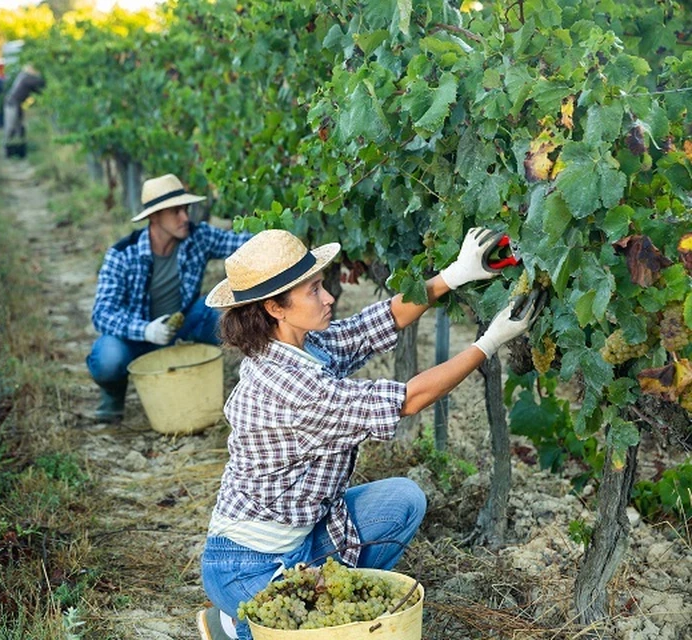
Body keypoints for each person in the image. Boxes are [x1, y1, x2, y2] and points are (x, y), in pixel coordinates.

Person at [196, 228, 543, 640]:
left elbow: (376, 323)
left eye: (322, 286)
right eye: (313, 291)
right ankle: (238, 622)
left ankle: (270, 609)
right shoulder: (290, 390)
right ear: (275, 308)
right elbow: (409, 399)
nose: (327, 297)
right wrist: (488, 343)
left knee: (403, 501)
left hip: (303, 536)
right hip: (244, 564)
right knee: (324, 630)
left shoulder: (300, 345)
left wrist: (454, 275)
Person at [87, 174, 253, 422]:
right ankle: (113, 394)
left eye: (185, 209)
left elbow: (244, 244)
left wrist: (286, 238)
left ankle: (252, 385)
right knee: (109, 358)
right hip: (136, 337)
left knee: (217, 311)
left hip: (183, 324)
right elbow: (102, 313)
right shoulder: (122, 254)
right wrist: (145, 330)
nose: (185, 217)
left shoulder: (198, 237)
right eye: (176, 212)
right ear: (154, 217)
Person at [3, 63, 45, 157]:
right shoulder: (26, 78)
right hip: (13, 104)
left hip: (15, 104)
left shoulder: (23, 77)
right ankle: (10, 149)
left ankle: (17, 149)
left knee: (19, 127)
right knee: (12, 127)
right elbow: (40, 83)